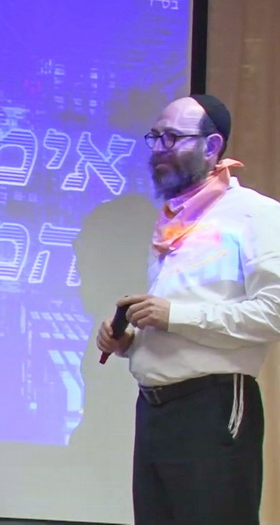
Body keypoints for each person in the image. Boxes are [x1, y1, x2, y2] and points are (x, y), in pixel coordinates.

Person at [96, 94, 280, 524]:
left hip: (213, 406)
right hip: (154, 409)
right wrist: (130, 340)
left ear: (212, 146)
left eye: (173, 138)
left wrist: (173, 315)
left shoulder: (256, 214)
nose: (159, 149)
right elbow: (187, 314)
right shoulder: (174, 218)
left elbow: (273, 313)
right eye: (155, 137)